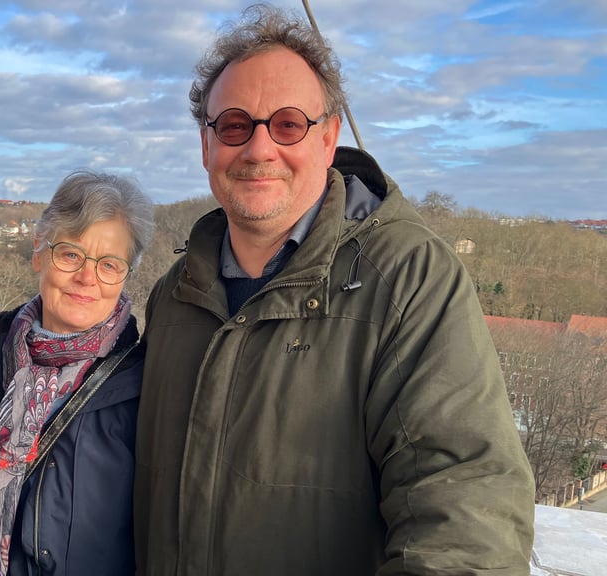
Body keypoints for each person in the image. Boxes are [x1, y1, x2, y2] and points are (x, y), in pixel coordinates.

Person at [133, 4, 536, 575]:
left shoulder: (407, 278)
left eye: (289, 124)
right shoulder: (175, 295)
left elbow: (465, 506)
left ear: (328, 139)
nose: (258, 148)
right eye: (234, 125)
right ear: (207, 145)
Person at [0, 170, 154, 576]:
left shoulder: (145, 383)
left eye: (109, 264)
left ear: (125, 276)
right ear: (38, 253)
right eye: (70, 254)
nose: (87, 277)